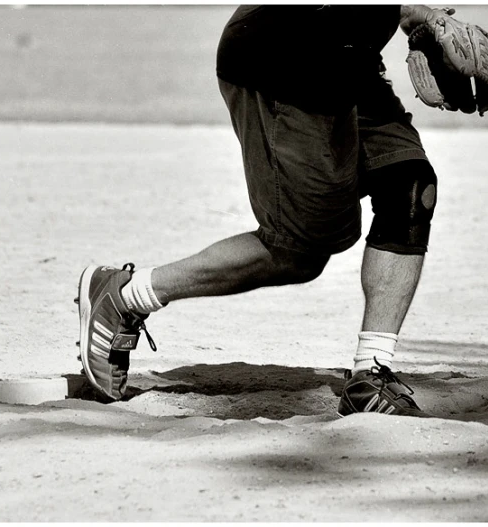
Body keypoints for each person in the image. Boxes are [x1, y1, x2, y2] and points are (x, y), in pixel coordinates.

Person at [76, 5, 446, 416]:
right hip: (283, 62)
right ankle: (127, 295)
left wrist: (419, 18)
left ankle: (371, 373)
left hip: (344, 62)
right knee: (297, 251)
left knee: (409, 186)